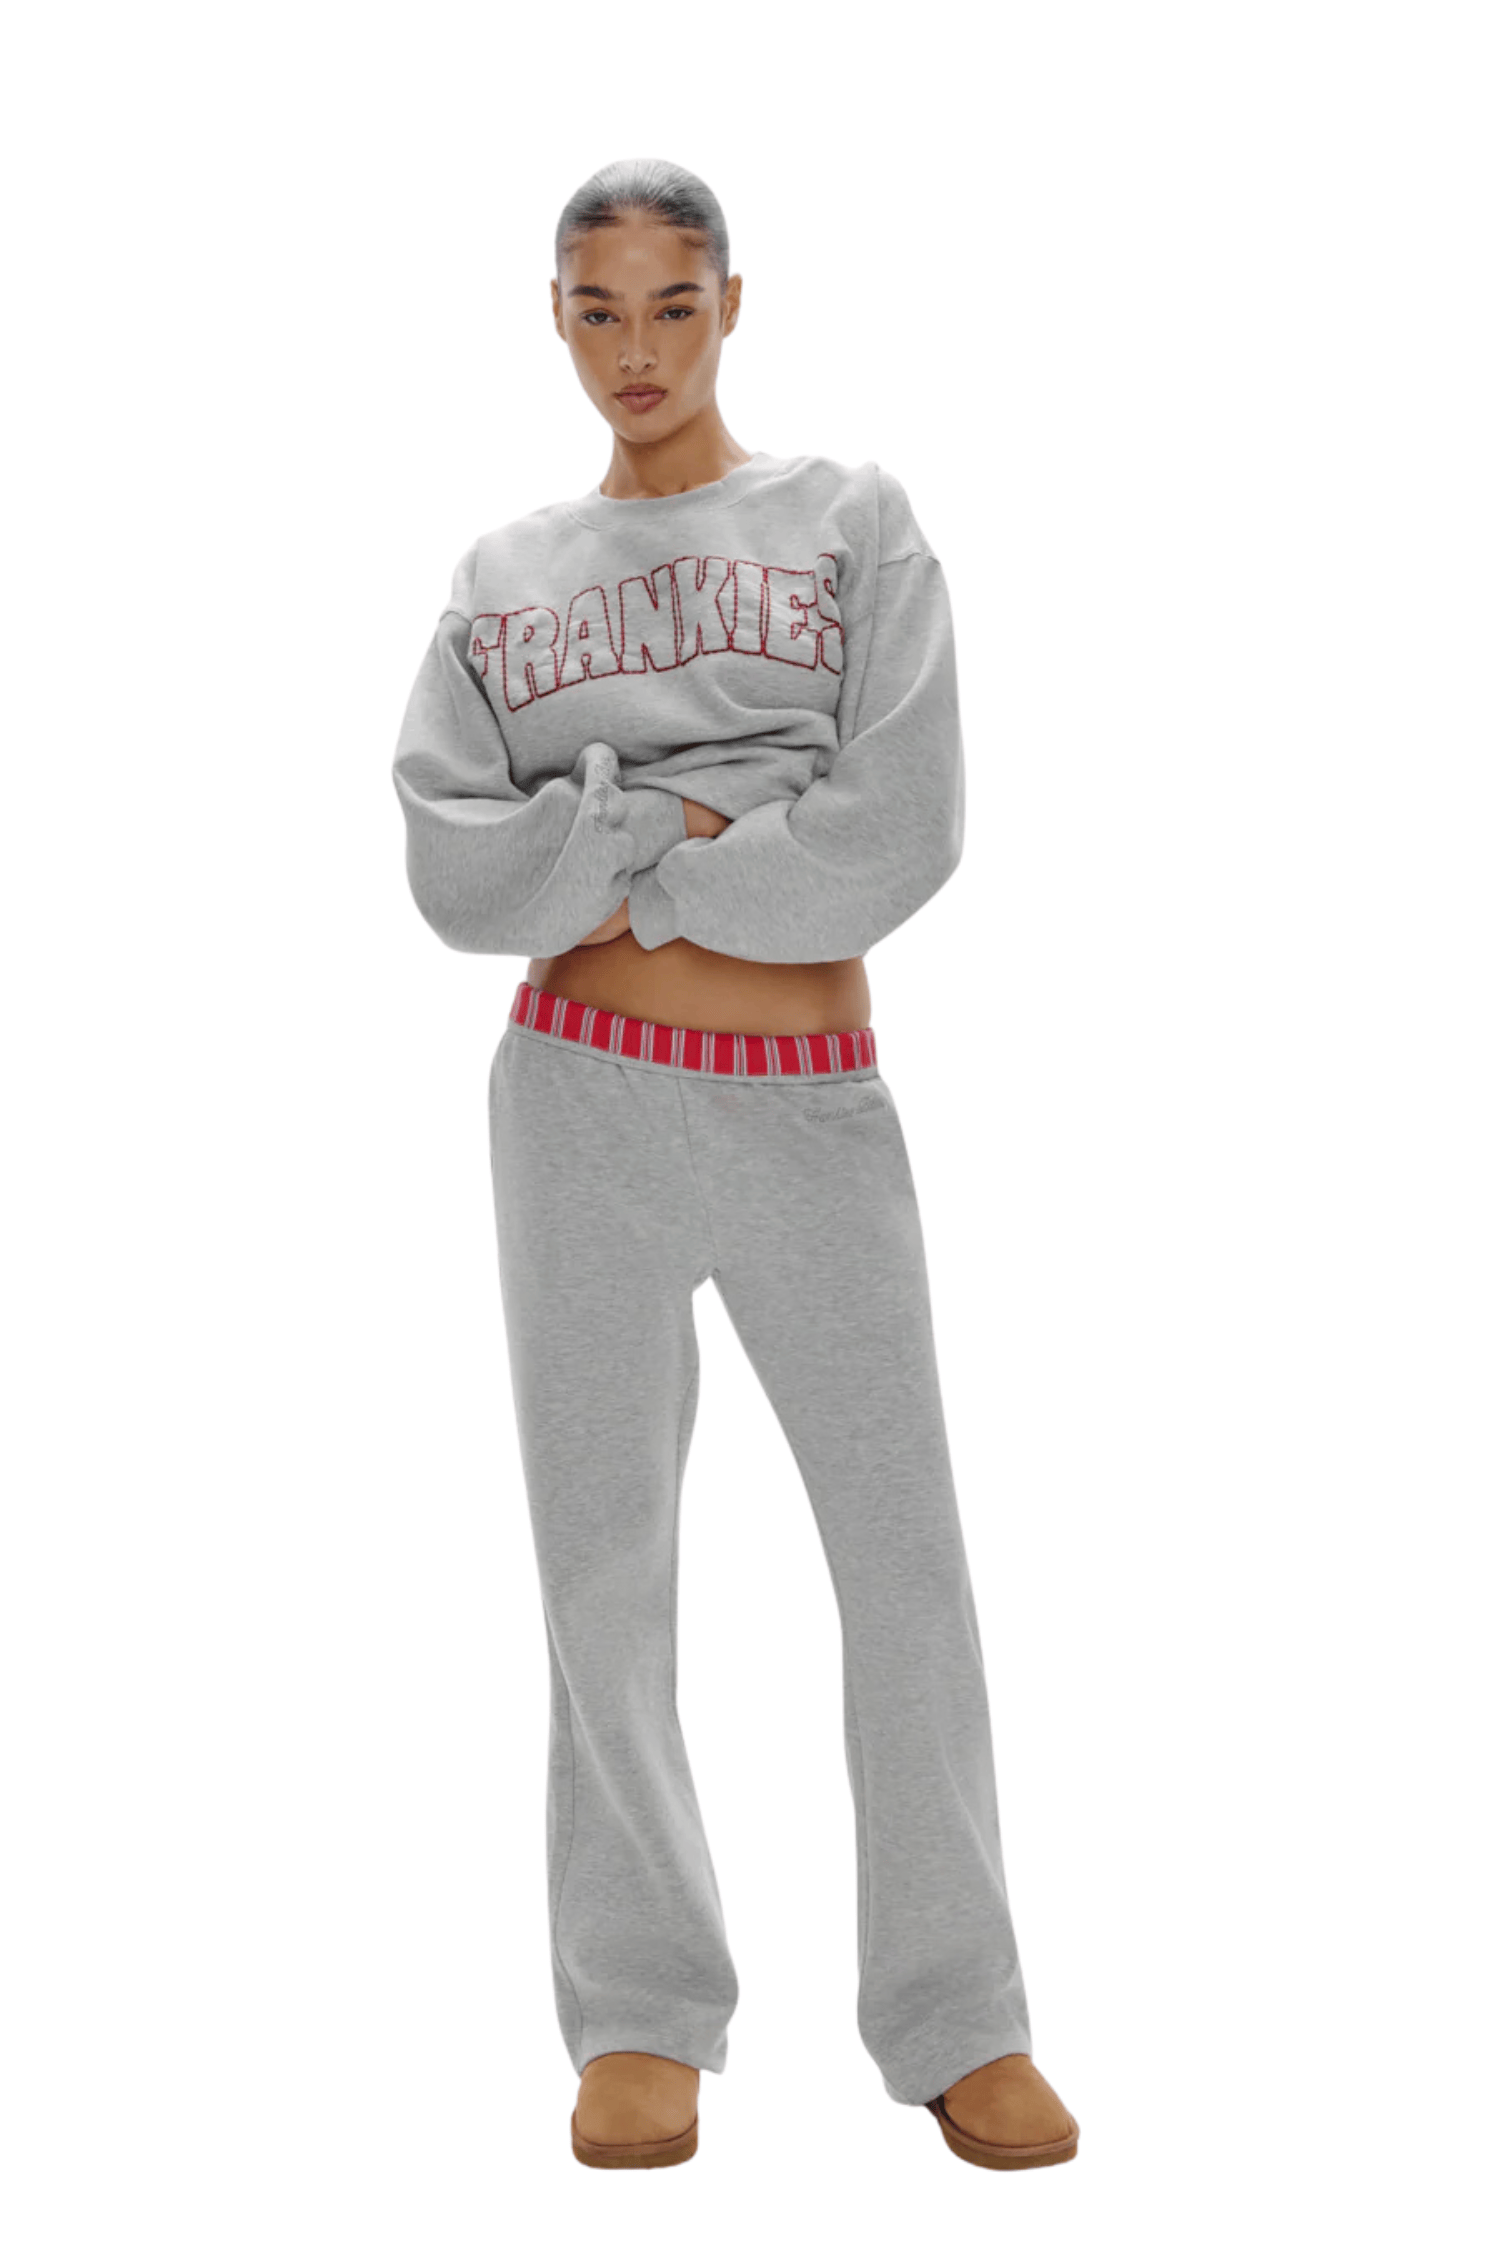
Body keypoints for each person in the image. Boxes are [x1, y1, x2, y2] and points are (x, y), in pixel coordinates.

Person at [391, 156, 1079, 2175]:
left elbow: (902, 823)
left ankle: (958, 2013)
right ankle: (638, 2010)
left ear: (732, 305)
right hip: (577, 1103)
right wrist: (668, 831)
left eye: (671, 306)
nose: (637, 349)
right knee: (604, 1572)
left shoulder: (851, 519)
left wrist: (627, 840)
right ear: (554, 318)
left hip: (808, 1104)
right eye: (597, 309)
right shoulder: (503, 574)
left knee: (904, 1559)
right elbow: (453, 871)